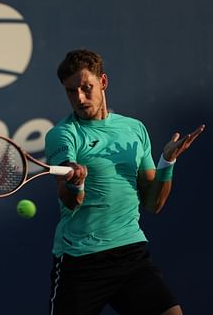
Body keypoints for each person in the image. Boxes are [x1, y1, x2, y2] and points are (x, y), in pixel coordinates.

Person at [45, 49, 205, 315]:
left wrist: (167, 162)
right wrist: (76, 183)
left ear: (103, 82)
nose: (80, 98)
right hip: (80, 261)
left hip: (130, 254)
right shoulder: (62, 135)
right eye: (71, 91)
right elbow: (70, 200)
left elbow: (153, 203)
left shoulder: (134, 130)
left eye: (87, 88)